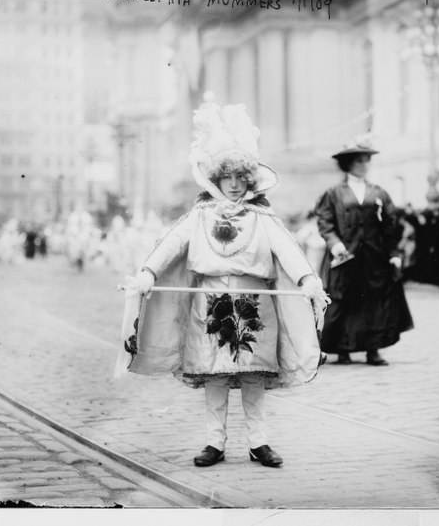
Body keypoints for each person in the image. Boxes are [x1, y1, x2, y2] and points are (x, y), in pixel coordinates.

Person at [117, 102, 329, 469]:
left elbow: (289, 251)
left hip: (255, 302)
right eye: (227, 178)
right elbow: (169, 245)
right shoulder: (198, 215)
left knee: (253, 375)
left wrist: (308, 280)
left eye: (240, 177)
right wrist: (147, 275)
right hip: (209, 301)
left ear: (249, 179)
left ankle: (258, 442)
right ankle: (214, 443)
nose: (233, 185)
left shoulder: (263, 217)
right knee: (213, 376)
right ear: (216, 179)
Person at [314, 136, 413, 366]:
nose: (363, 164)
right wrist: (334, 243)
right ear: (348, 163)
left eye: (366, 160)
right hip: (345, 256)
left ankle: (373, 349)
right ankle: (343, 350)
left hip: (373, 258)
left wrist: (394, 254)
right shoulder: (334, 193)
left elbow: (391, 226)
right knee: (344, 301)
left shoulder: (379, 193)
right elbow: (325, 222)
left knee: (374, 302)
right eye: (358, 160)